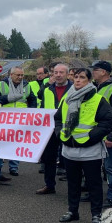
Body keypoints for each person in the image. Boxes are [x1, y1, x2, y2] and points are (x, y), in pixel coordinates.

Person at [57, 68, 112, 223]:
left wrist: (91, 136)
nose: (78, 80)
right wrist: (59, 133)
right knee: (73, 183)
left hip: (90, 150)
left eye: (82, 77)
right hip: (69, 148)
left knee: (93, 184)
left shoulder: (98, 100)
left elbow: (107, 122)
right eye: (76, 77)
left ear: (89, 81)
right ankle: (72, 211)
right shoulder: (67, 98)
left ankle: (96, 215)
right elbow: (58, 119)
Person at [91, 61, 112, 208]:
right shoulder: (95, 87)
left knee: (111, 167)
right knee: (94, 166)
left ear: (104, 72)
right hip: (95, 134)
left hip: (109, 136)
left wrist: (111, 136)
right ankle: (95, 193)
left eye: (95, 69)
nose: (93, 72)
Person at [36, 62, 72, 194]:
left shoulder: (75, 89)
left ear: (68, 74)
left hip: (68, 127)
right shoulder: (47, 90)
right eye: (55, 72)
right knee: (49, 158)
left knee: (71, 158)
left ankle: (74, 186)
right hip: (50, 128)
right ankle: (49, 185)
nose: (58, 75)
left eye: (61, 72)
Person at [0, 66, 37, 176]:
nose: (20, 77)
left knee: (16, 143)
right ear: (11, 75)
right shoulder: (1, 85)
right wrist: (9, 98)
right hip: (4, 119)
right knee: (1, 143)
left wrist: (31, 112)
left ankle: (14, 167)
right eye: (18, 75)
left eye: (22, 75)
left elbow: (32, 99)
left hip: (20, 120)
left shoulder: (26, 85)